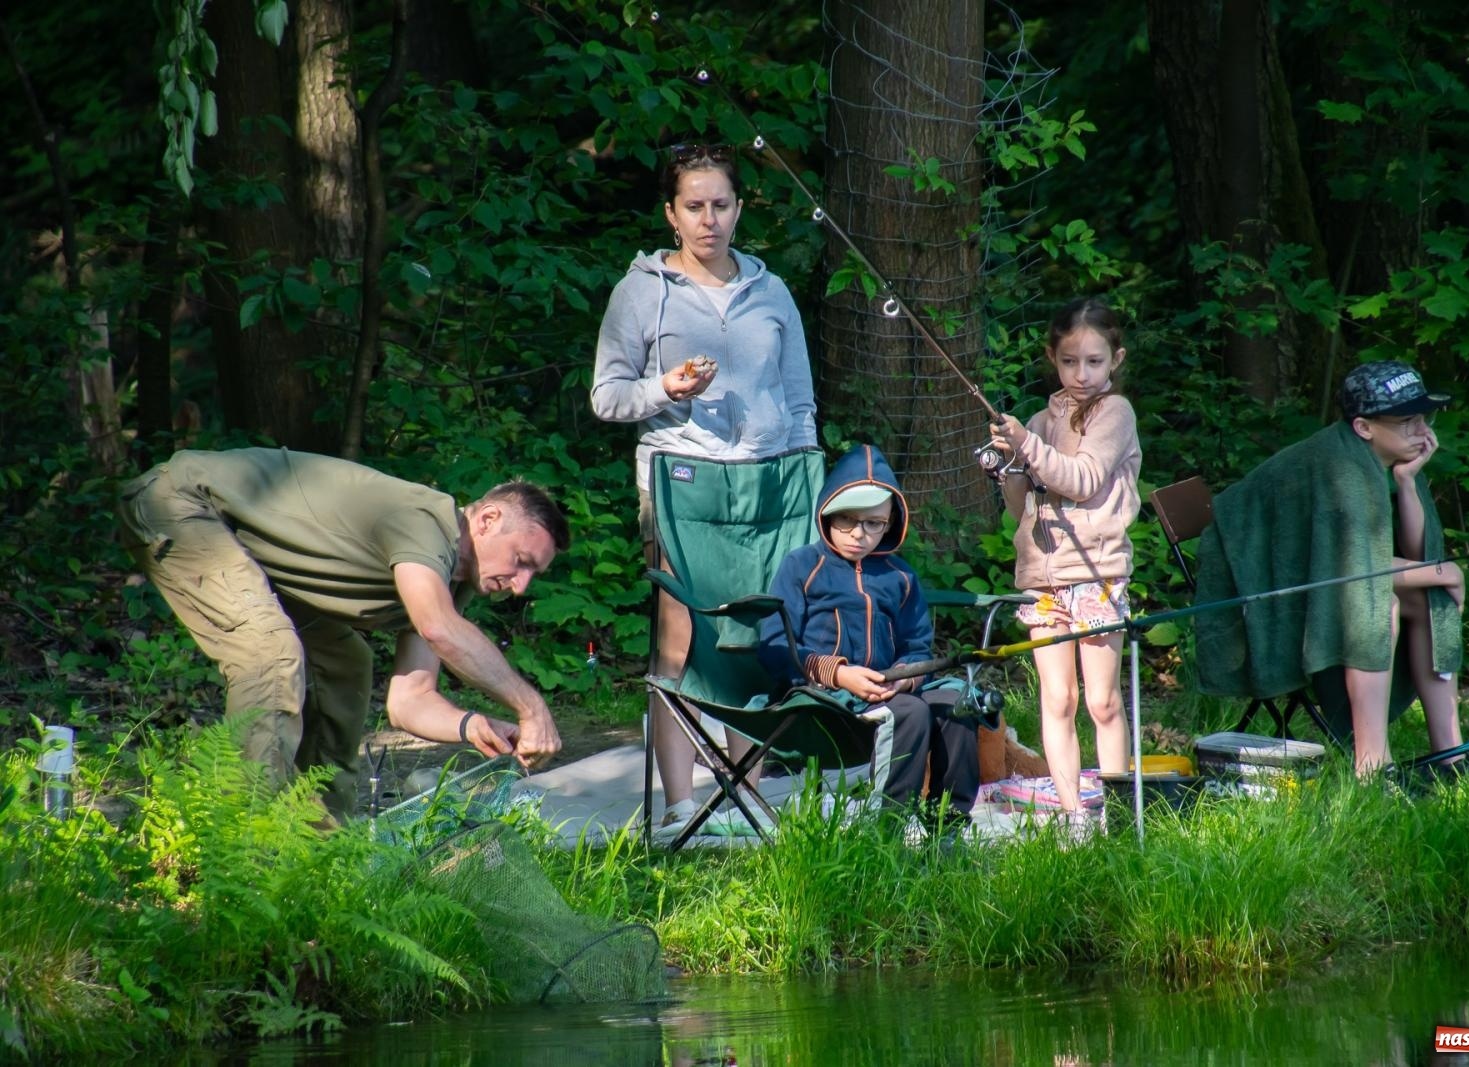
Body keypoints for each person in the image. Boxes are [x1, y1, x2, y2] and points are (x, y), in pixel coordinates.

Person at [115, 447, 570, 818]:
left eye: (534, 574)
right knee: (273, 656)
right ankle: (242, 848)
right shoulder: (425, 522)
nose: (521, 584)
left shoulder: (451, 580)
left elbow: (409, 702)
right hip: (183, 505)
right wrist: (531, 705)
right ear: (488, 520)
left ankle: (322, 847)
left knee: (348, 664)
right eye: (522, 562)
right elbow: (438, 628)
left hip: (245, 548)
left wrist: (473, 725)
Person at [590, 140, 817, 831]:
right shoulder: (640, 292)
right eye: (695, 206)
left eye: (721, 204)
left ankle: (741, 797)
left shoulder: (770, 291)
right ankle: (681, 804)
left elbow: (801, 401)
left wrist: (806, 475)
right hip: (681, 479)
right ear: (671, 214)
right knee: (680, 641)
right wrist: (666, 387)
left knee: (751, 636)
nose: (709, 219)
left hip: (767, 485)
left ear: (740, 208)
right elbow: (606, 396)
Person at [1195, 360, 1466, 777]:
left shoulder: (1377, 459)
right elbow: (1355, 569)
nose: (1421, 429)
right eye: (1407, 420)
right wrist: (1444, 572)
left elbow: (1411, 553)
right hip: (1258, 582)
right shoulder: (1341, 469)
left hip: (1316, 574)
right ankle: (1373, 765)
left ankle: (1451, 758)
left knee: (1431, 602)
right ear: (1364, 427)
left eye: (1424, 417)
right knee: (1377, 609)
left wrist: (1409, 483)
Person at [984, 298, 1143, 832]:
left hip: (1095, 573)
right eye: (1070, 361)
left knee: (1100, 701)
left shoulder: (1115, 414)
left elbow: (1082, 479)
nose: (1082, 374)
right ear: (1053, 357)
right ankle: (1074, 815)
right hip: (1041, 580)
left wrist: (1028, 446)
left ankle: (1118, 815)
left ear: (1115, 359)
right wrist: (1009, 465)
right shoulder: (1038, 421)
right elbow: (1021, 508)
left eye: (1094, 361)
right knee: (1058, 699)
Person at [756, 444, 980, 816]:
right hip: (821, 696)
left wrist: (903, 679)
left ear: (891, 523)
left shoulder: (901, 576)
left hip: (889, 687)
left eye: (874, 523)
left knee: (957, 704)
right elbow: (775, 646)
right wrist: (839, 674)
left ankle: (947, 827)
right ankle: (885, 828)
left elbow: (918, 647)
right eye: (848, 520)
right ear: (826, 514)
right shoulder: (802, 566)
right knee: (908, 712)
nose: (860, 534)